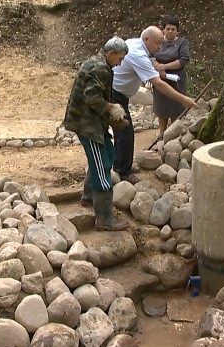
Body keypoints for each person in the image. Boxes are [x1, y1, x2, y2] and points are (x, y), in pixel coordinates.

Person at [112, 26, 198, 184]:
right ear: (146, 39)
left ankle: (120, 164)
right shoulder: (138, 54)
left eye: (161, 43)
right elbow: (158, 83)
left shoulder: (135, 44)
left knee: (121, 130)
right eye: (157, 43)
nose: (160, 47)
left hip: (119, 92)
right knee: (125, 132)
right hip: (115, 92)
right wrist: (183, 99)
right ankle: (123, 171)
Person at [64, 37, 131, 231]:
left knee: (108, 153)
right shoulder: (101, 68)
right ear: (111, 53)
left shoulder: (98, 62)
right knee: (101, 165)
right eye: (120, 58)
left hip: (91, 121)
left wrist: (110, 117)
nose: (120, 63)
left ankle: (89, 197)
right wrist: (111, 108)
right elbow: (91, 96)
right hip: (87, 125)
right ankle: (104, 219)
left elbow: (96, 96)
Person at [152, 15, 191, 136]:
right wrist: (157, 66)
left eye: (173, 29)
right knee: (161, 106)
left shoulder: (182, 43)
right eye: (168, 29)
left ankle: (174, 133)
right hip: (159, 78)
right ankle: (162, 133)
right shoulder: (158, 41)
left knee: (176, 105)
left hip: (176, 78)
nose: (170, 31)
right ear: (163, 29)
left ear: (177, 30)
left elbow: (183, 59)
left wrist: (165, 67)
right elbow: (150, 55)